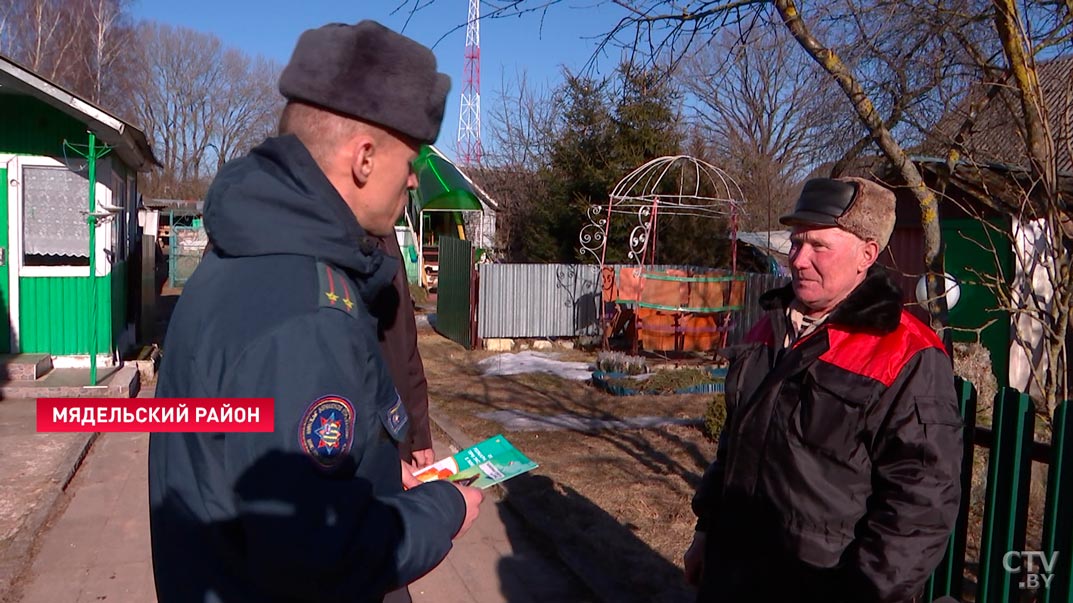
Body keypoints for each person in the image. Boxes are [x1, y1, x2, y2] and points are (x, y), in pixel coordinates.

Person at [148, 20, 483, 603]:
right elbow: (321, 553)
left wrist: (377, 471)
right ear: (363, 158)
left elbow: (265, 459)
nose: (412, 179)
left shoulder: (247, 254)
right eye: (412, 160)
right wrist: (441, 508)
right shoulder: (308, 313)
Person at [684, 177, 963, 603]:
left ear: (866, 254)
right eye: (796, 243)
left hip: (817, 586)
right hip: (732, 574)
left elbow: (919, 506)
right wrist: (706, 530)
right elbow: (734, 442)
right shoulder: (767, 328)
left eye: (819, 247)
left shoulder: (907, 354)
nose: (798, 260)